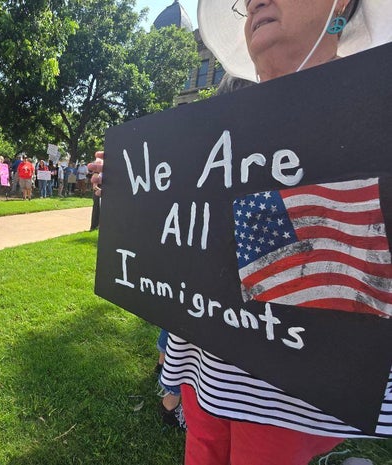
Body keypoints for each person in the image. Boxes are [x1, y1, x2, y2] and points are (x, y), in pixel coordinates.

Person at [159, 1, 392, 464]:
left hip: (288, 394)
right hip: (207, 367)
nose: (255, 1)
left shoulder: (375, 111)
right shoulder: (214, 119)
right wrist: (129, 189)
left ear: (341, 6)